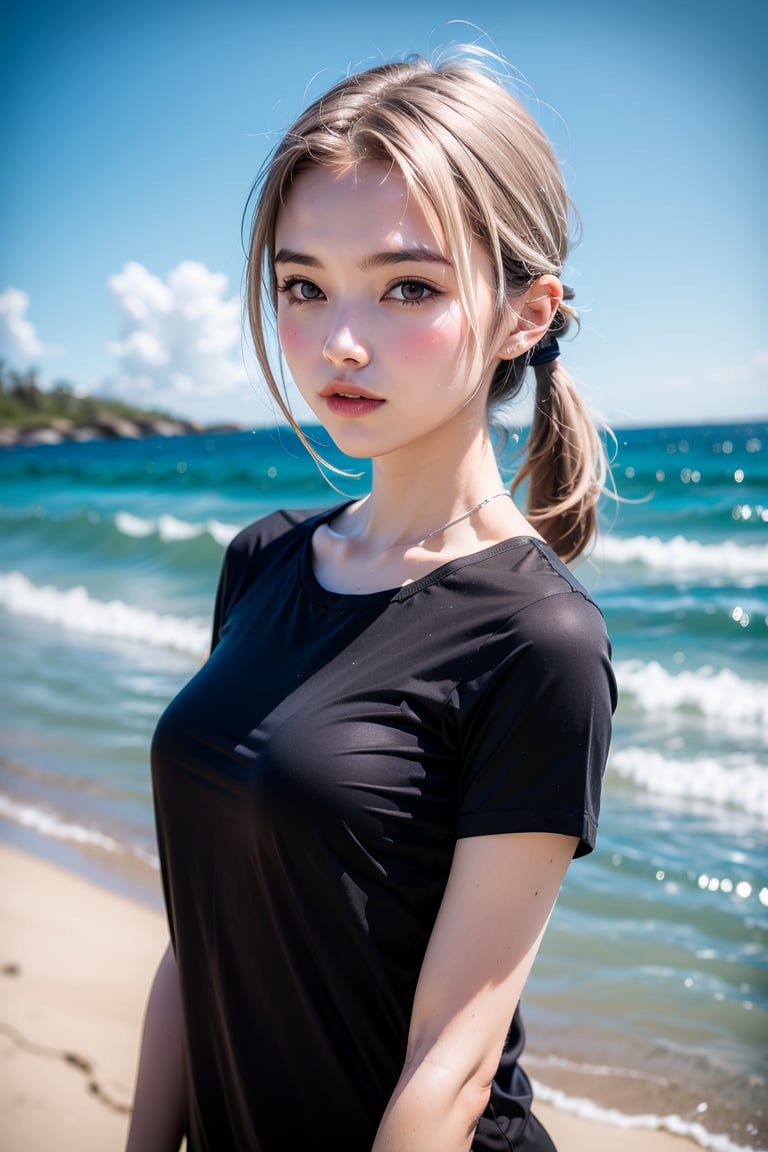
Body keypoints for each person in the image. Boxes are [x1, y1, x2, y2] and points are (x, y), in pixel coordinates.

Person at [126, 51, 616, 1152]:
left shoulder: (539, 638)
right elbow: (198, 936)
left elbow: (454, 1056)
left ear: (525, 315)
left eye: (409, 287)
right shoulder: (262, 561)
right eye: (304, 286)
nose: (339, 340)